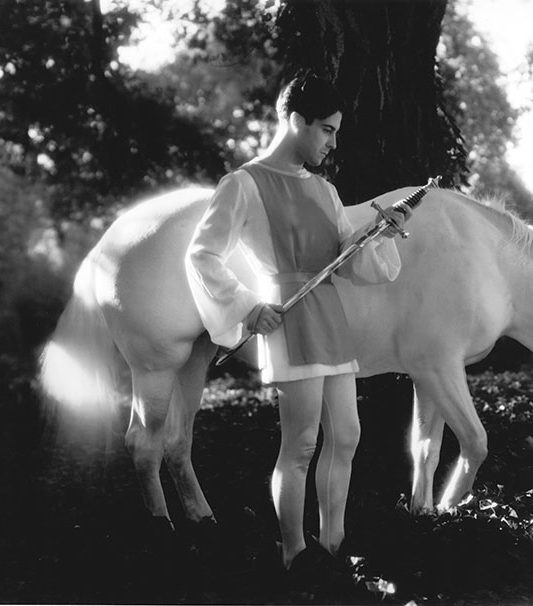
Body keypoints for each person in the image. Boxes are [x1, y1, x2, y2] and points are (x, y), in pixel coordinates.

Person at [184, 73, 404, 584]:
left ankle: (333, 546)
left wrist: (380, 235)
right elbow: (203, 253)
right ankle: (293, 554)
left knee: (346, 436)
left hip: (331, 318)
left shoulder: (325, 191)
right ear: (296, 121)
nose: (332, 143)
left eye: (336, 132)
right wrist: (246, 305)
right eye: (325, 130)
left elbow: (352, 264)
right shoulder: (244, 184)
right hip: (289, 319)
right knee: (301, 444)